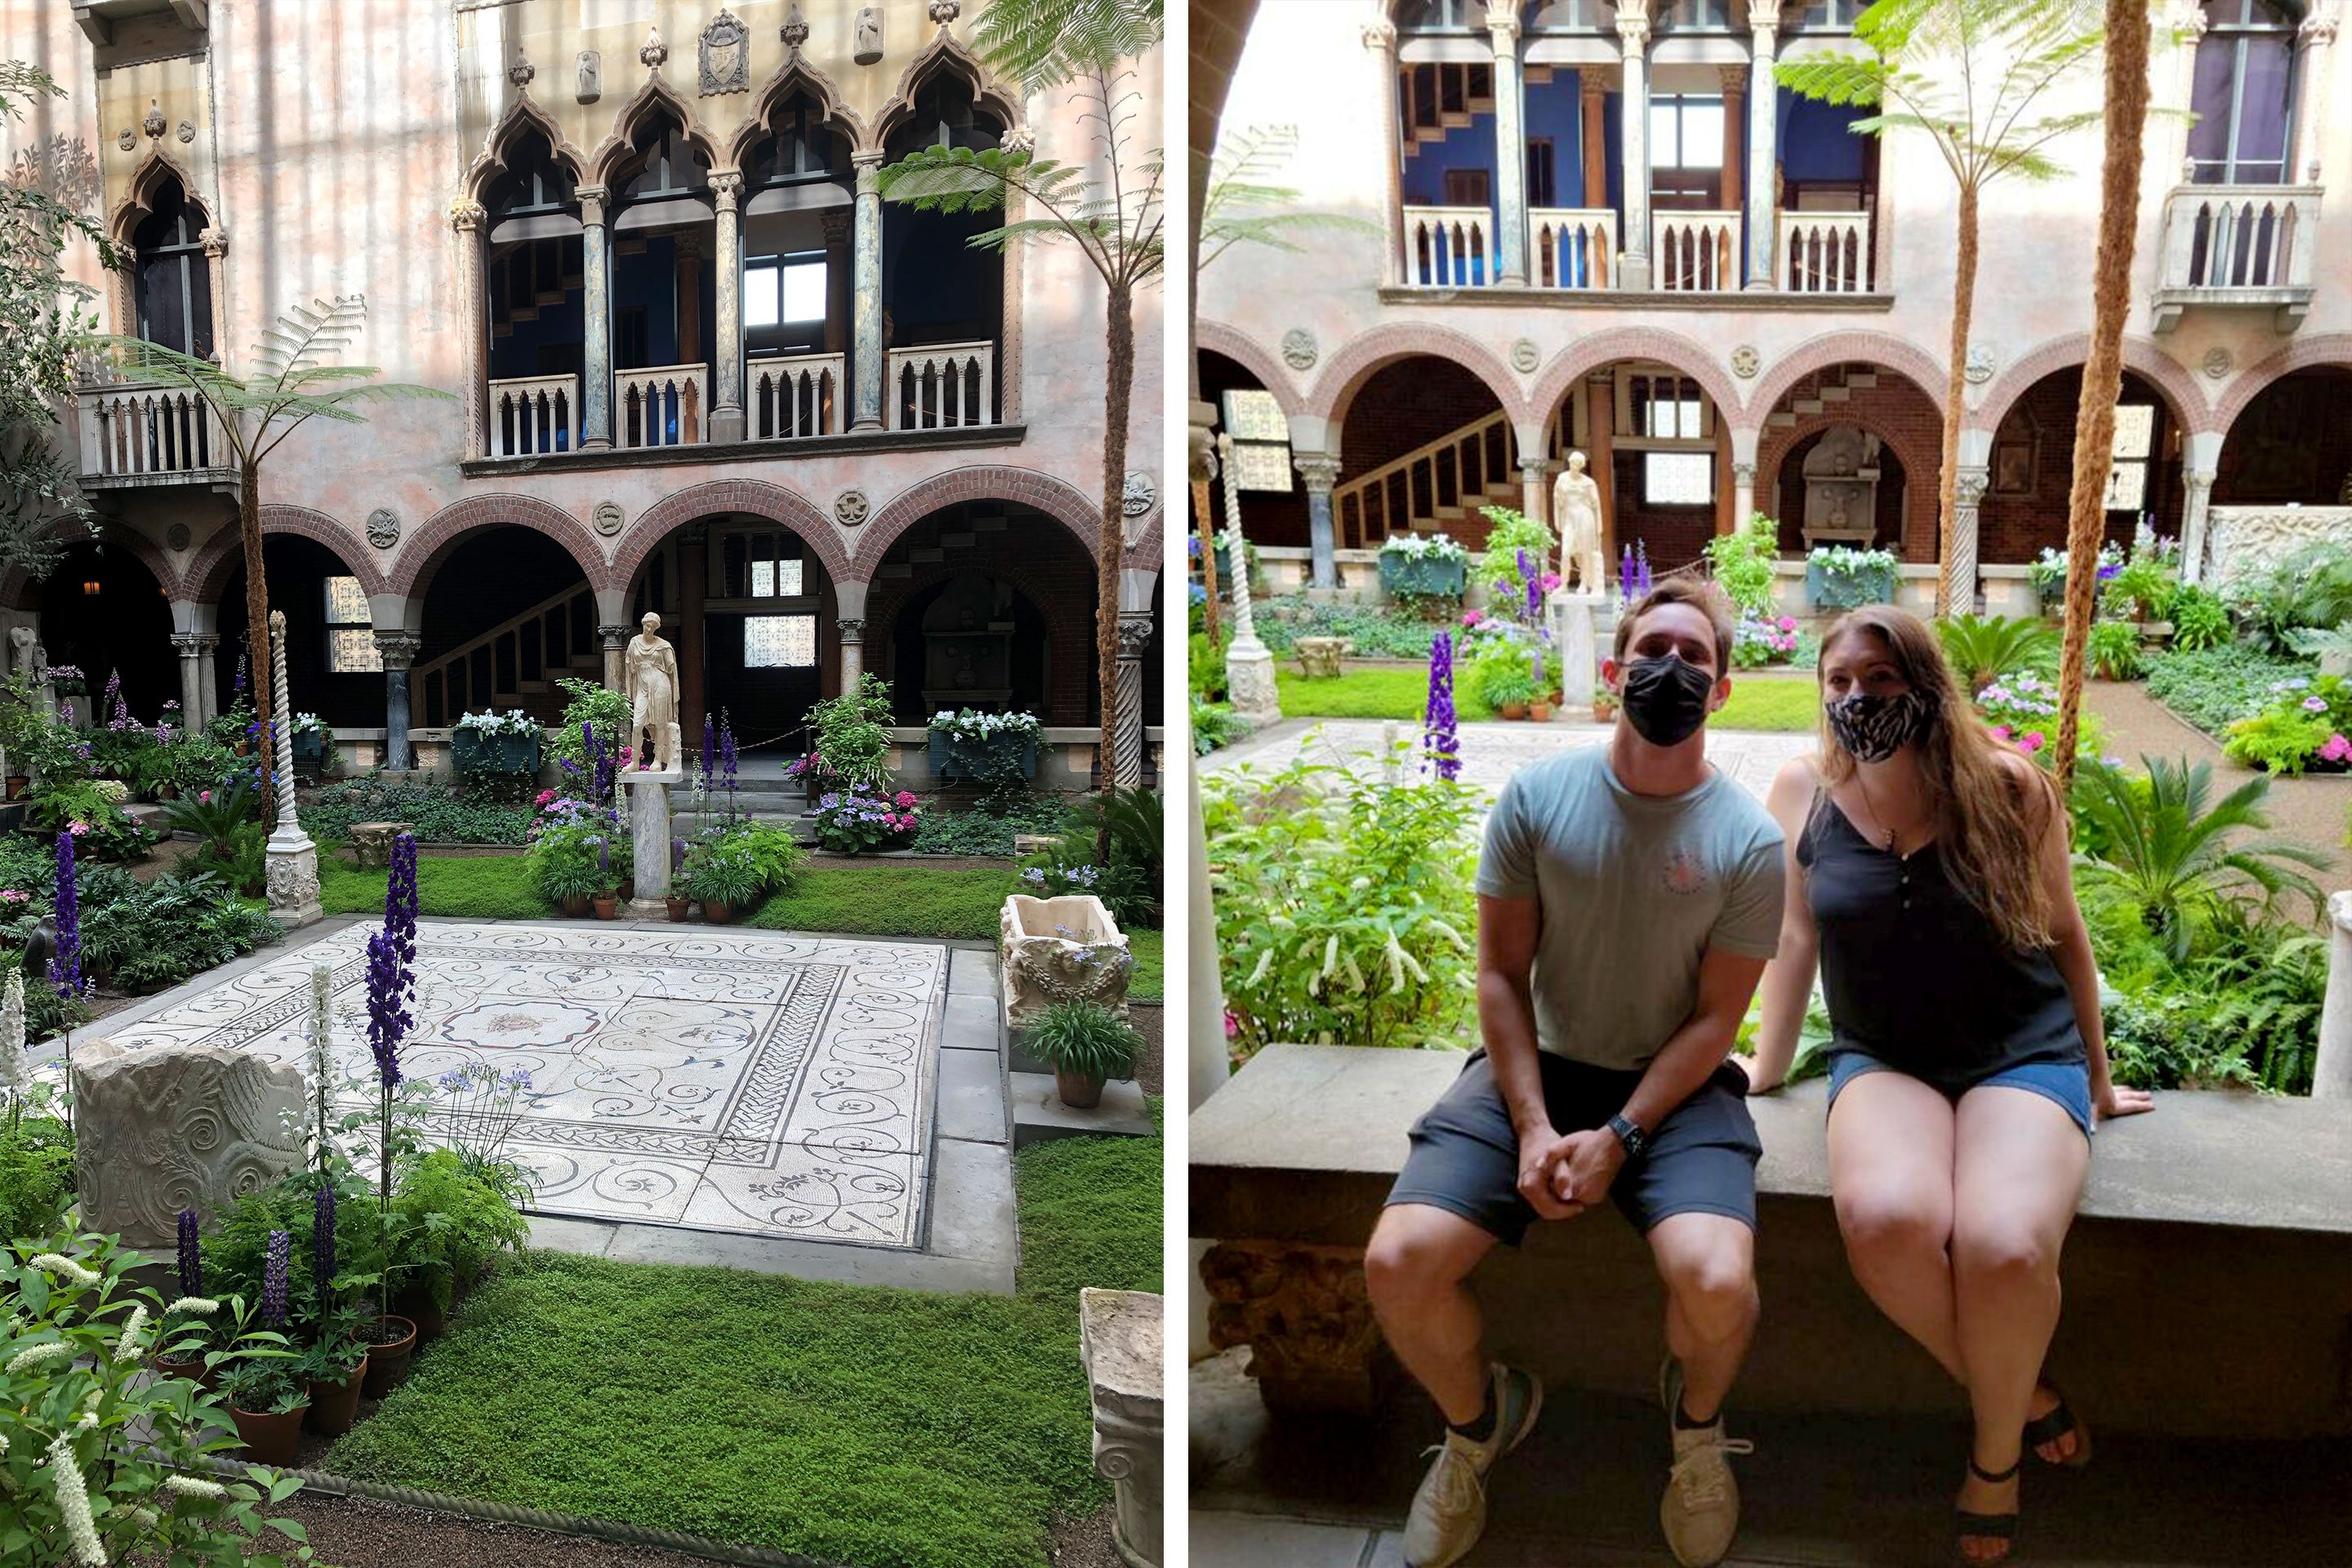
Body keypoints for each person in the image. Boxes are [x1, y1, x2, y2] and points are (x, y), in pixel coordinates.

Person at [1366, 577, 1785, 1568]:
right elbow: (1502, 976)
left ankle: (1695, 1429)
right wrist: (1533, 1125)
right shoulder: (1538, 797)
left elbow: (1720, 1019)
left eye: (1694, 658)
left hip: (1674, 1094)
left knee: (1718, 1279)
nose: (1670, 671)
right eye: (1653, 652)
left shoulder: (1750, 841)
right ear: (1614, 669)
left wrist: (1624, 1134)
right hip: (1534, 1071)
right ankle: (1482, 1422)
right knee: (1398, 1264)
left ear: (1722, 691)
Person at [1740, 604, 2154, 1565]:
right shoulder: (1803, 790)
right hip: (1883, 1056)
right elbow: (1796, 937)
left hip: (2021, 1049)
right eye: (1838, 683)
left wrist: (2096, 1079)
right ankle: (2025, 1390)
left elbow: (2063, 935)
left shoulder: (2008, 788)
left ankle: (1995, 1457)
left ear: (1926, 686)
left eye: (1879, 682)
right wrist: (1765, 1065)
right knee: (1886, 1220)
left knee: (2007, 1246)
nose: (1855, 701)